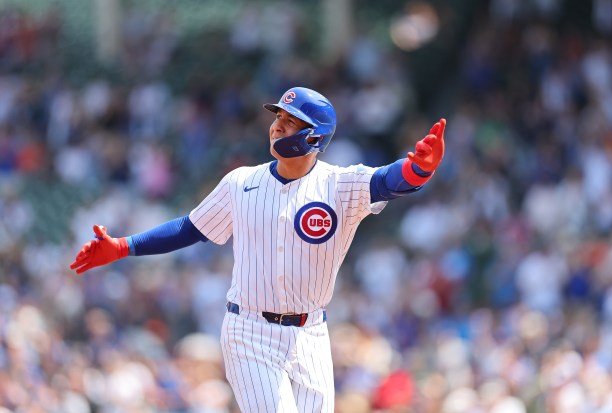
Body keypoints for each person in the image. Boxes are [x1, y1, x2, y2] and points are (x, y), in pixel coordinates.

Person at [70, 86, 446, 413]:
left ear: (315, 137)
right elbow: (191, 227)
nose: (278, 125)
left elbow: (388, 181)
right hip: (249, 330)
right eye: (278, 116)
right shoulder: (241, 182)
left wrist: (418, 170)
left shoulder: (339, 185)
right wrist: (124, 246)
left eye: (291, 121)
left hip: (310, 332)